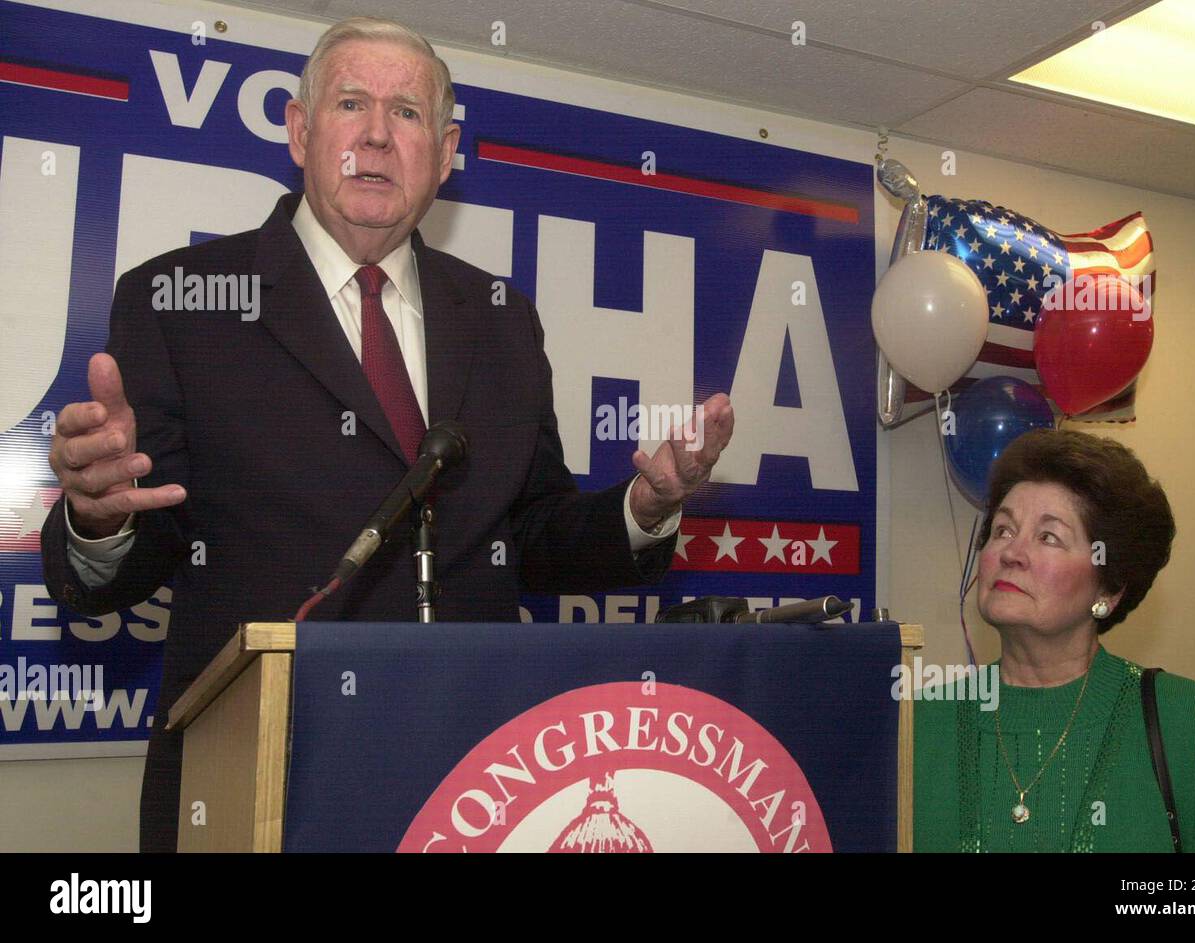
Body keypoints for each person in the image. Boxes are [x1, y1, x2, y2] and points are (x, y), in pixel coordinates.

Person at [41, 16, 734, 852]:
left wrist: (643, 508)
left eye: (406, 113)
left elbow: (535, 539)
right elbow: (143, 544)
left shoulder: (501, 320)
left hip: (479, 781)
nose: (375, 134)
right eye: (351, 103)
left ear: (443, 154)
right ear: (301, 133)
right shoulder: (181, 300)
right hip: (260, 781)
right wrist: (102, 519)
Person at [914, 429, 1195, 852]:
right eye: (1003, 530)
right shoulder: (917, 726)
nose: (1011, 553)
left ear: (1108, 590)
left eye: (1049, 537)